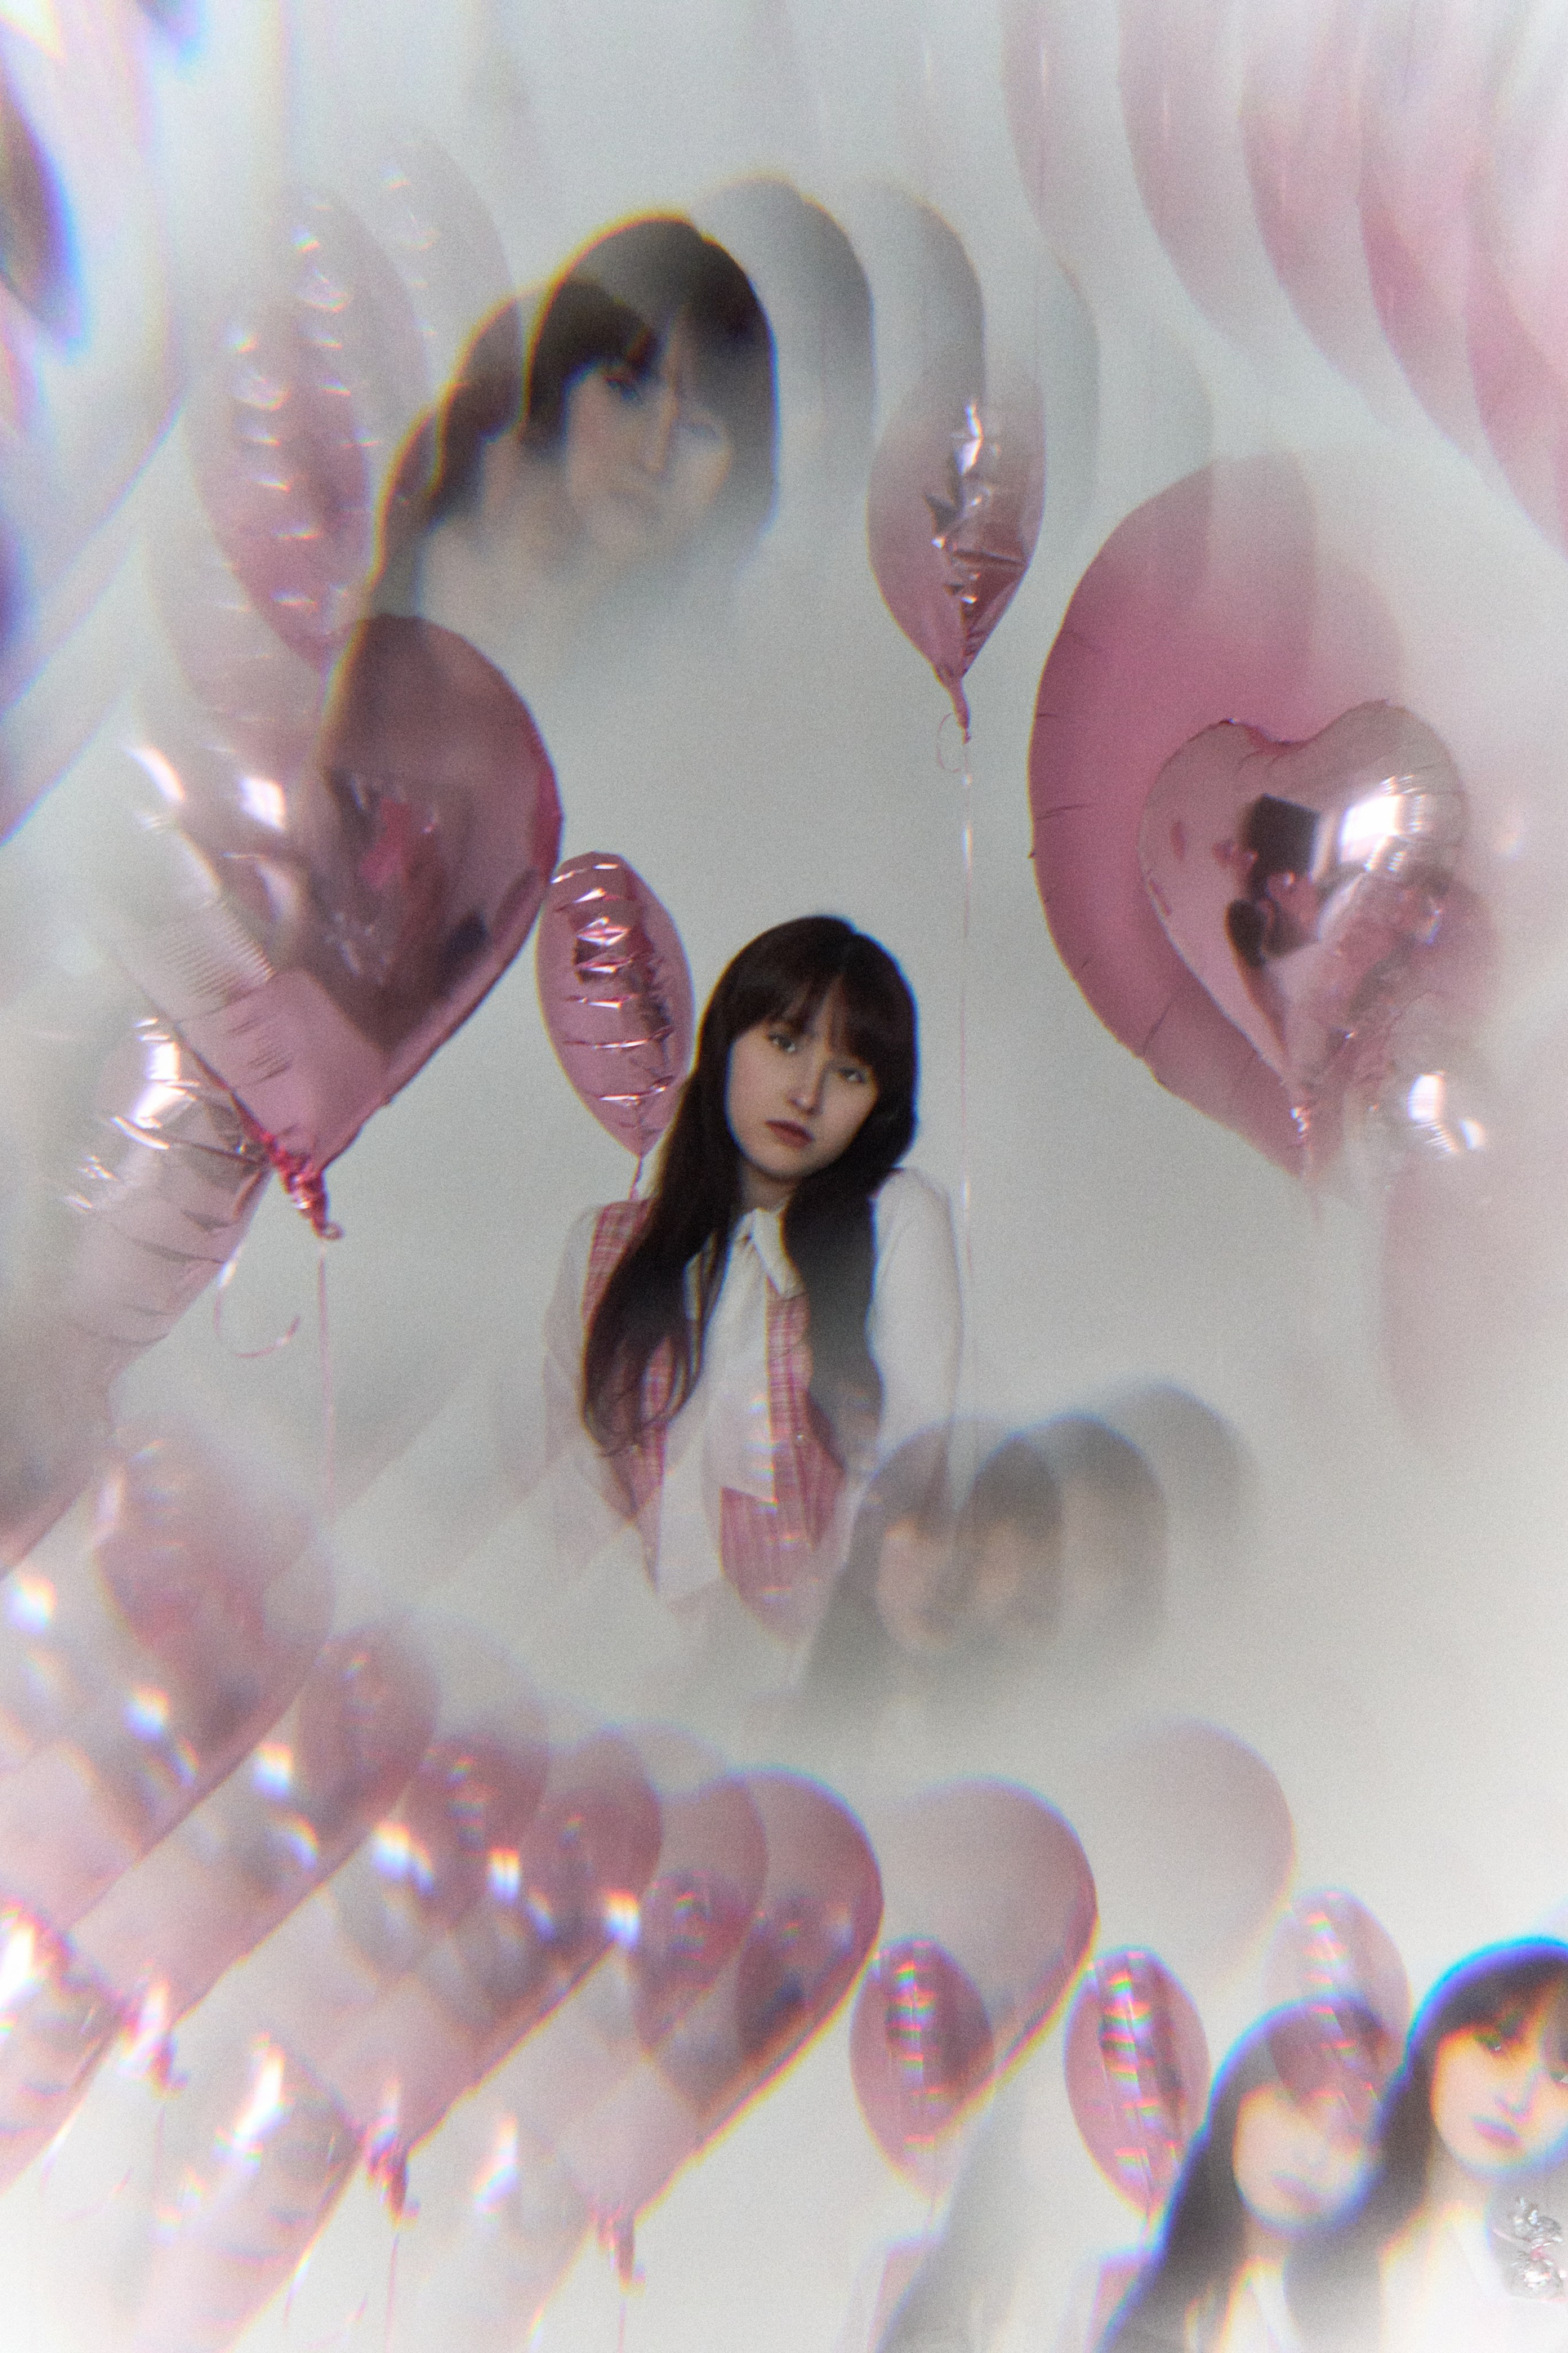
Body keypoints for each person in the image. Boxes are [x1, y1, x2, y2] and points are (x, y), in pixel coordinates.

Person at [543, 916, 960, 1656]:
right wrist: (647, 1668)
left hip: (830, 1675)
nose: (807, 1093)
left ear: (878, 1105)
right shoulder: (605, 1247)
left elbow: (907, 1470)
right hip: (631, 1676)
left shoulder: (896, 1219)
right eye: (785, 1041)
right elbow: (576, 1484)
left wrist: (804, 1676)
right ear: (726, 1039)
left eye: (850, 1072)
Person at [371, 216, 777, 687]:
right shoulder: (453, 559)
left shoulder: (729, 686)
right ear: (558, 388)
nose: (652, 458)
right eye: (624, 392)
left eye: (699, 429)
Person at [1291, 1938, 1568, 2353]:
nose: (1520, 2100)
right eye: (1497, 2044)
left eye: (1562, 2076)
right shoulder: (1320, 2257)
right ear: (1437, 2042)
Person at [1090, 2003, 1392, 2353]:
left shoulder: (1386, 2314)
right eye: (1298, 2105)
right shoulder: (1118, 2294)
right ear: (1240, 2097)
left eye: (1351, 2135)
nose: (1315, 2156)